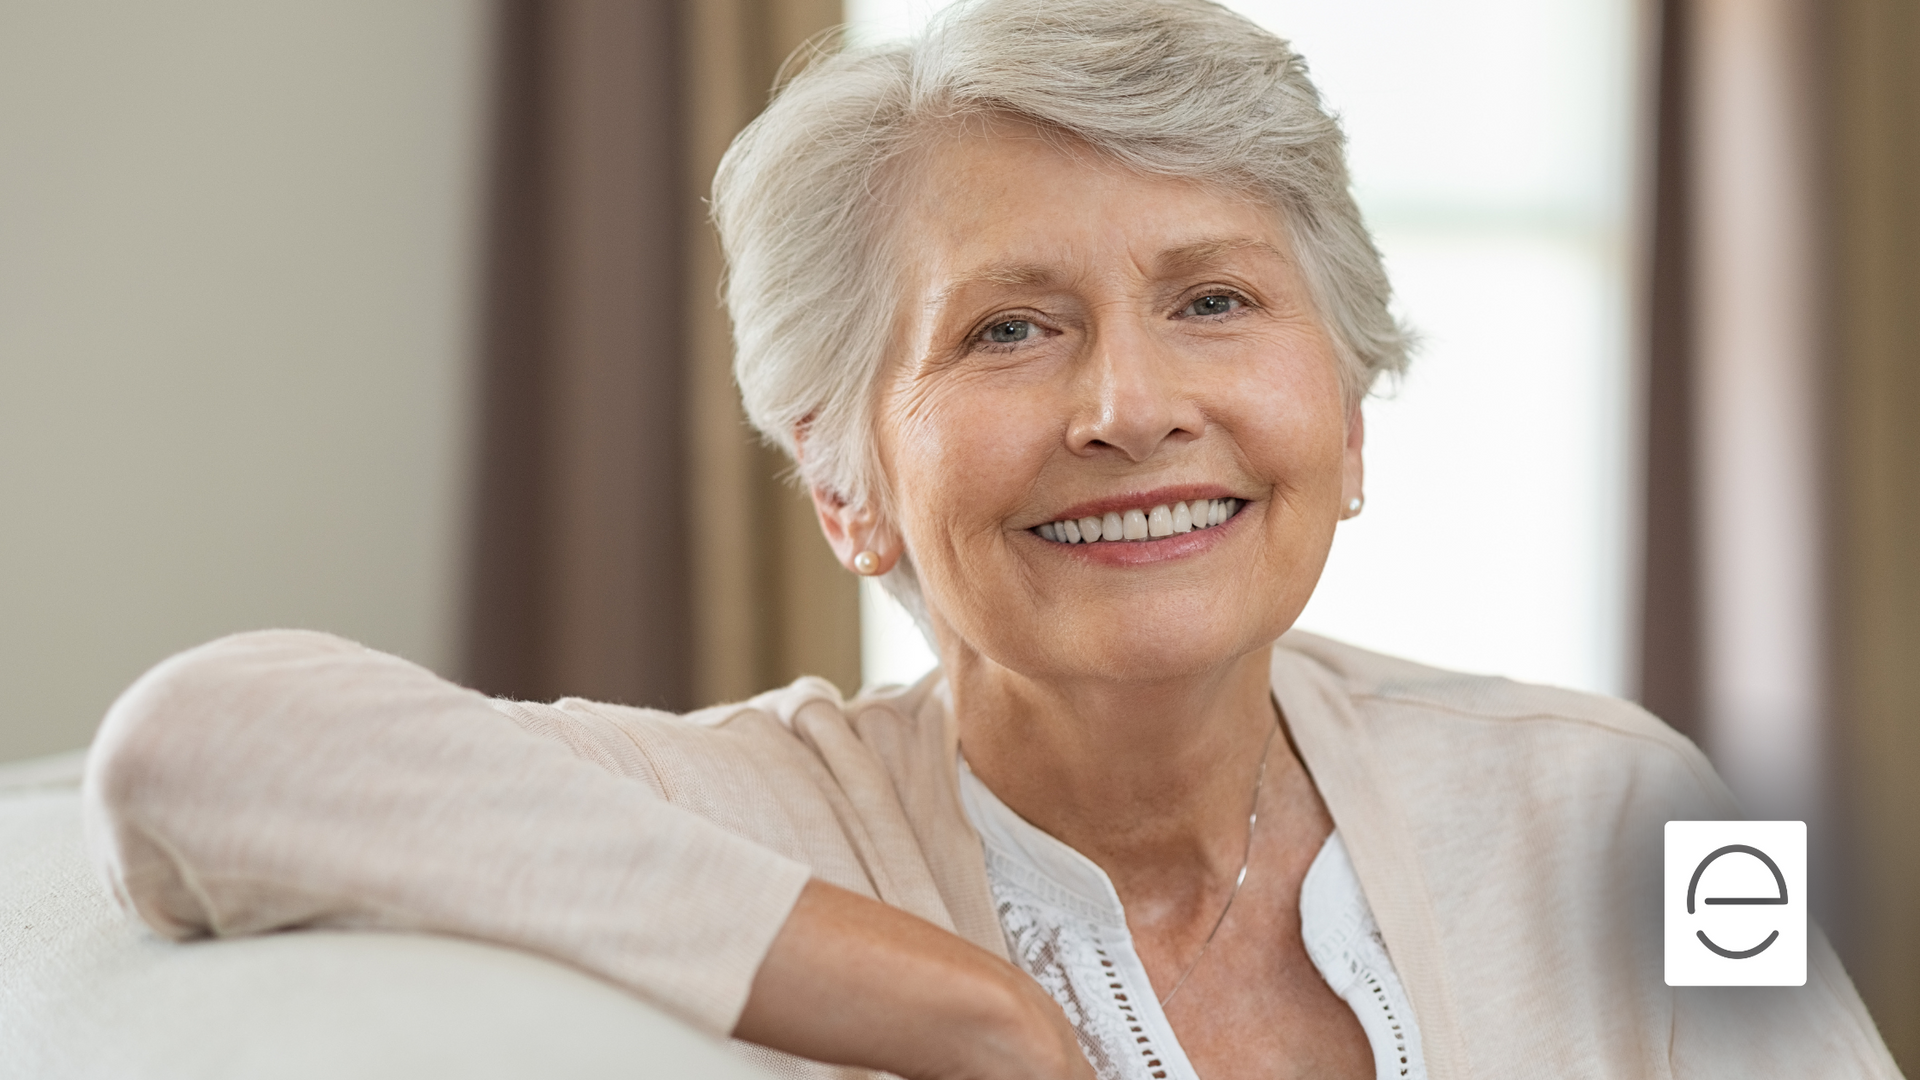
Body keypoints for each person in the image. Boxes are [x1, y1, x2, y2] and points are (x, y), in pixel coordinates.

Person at [83, 2, 1900, 1078]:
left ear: (1348, 423)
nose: (1128, 403)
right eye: (1007, 329)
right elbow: (200, 752)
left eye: (1213, 301)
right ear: (841, 479)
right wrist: (968, 1012)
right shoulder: (755, 815)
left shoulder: (1634, 809)